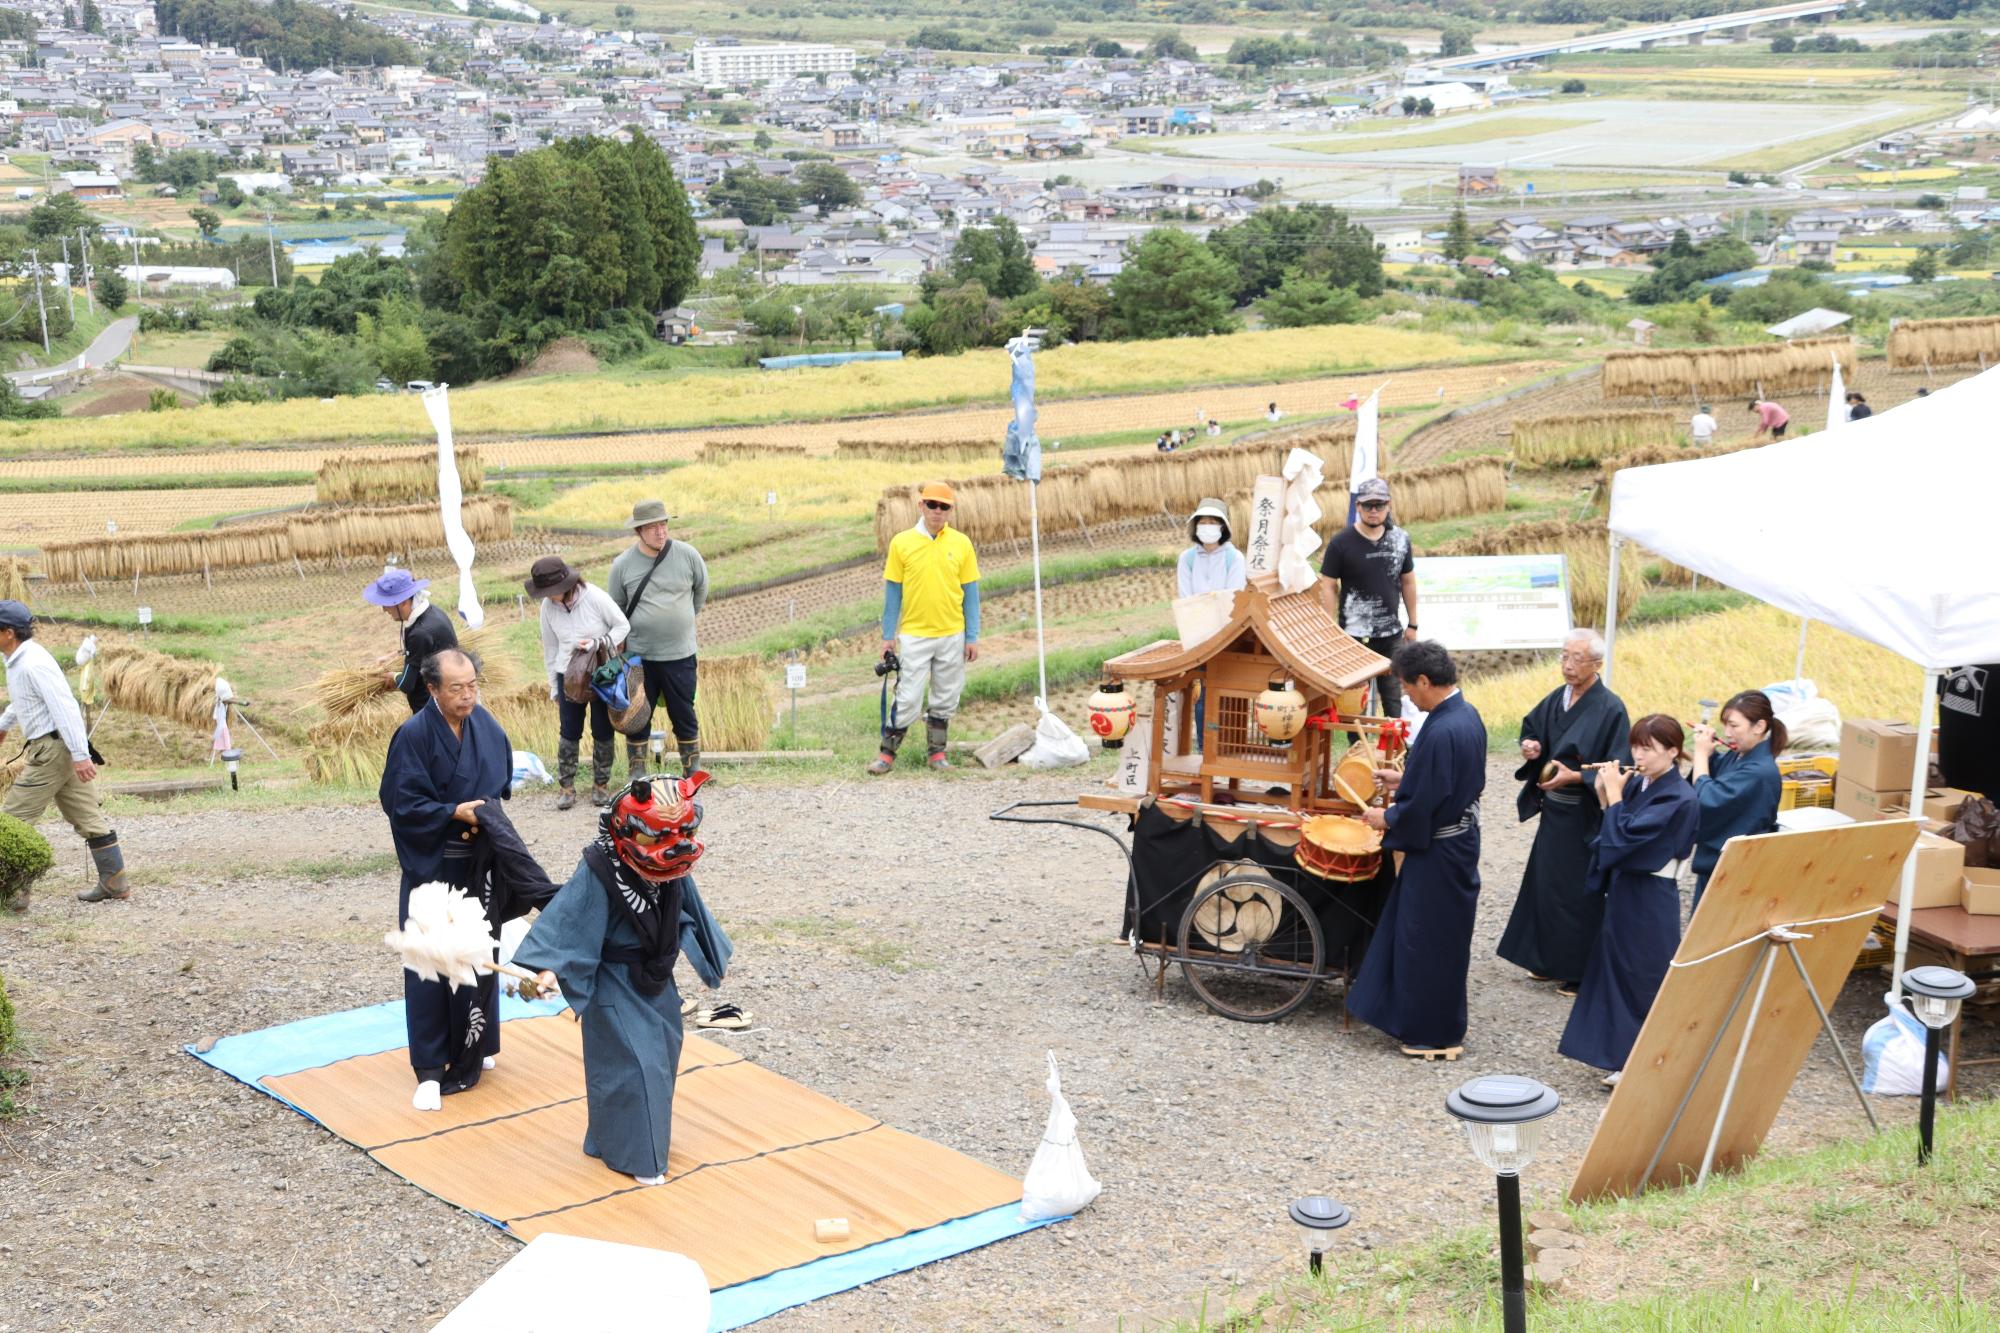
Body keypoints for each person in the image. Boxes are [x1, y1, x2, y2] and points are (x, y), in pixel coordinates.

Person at [517, 771, 733, 1186]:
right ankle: (644, 1161)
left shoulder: (673, 863)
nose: (672, 845)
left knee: (656, 1063)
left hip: (656, 979)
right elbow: (570, 920)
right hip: (614, 982)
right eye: (656, 838)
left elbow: (688, 911)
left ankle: (608, 1139)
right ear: (627, 832)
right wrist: (548, 969)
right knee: (638, 1066)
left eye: (682, 832)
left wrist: (701, 948)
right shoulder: (601, 867)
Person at [380, 647, 522, 1111]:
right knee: (431, 958)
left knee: (479, 951)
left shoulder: (487, 726)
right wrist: (450, 812)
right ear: (434, 690)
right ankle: (428, 1065)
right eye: (456, 689)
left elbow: (500, 782)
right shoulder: (414, 735)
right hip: (434, 863)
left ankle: (477, 1045)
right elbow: (402, 804)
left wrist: (482, 815)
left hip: (478, 861)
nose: (467, 696)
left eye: (472, 686)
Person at [1348, 642, 1487, 1059]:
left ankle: (1433, 1034)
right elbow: (1439, 783)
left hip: (1441, 851)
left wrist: (1387, 818)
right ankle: (1432, 1024)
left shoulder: (1444, 728)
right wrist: (1400, 782)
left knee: (1427, 939)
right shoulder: (1465, 716)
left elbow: (1426, 801)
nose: (1407, 695)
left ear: (1426, 681)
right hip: (1456, 840)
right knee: (1437, 936)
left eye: (1409, 688)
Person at [1558, 714, 1699, 1086]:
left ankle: (1651, 1060)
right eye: (1636, 745)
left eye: (1648, 748)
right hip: (1626, 889)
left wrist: (1616, 796)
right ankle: (1621, 1057)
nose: (1638, 754)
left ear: (1672, 751)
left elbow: (1626, 840)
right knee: (1615, 970)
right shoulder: (1644, 785)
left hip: (1651, 895)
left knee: (1644, 976)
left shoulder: (1678, 796)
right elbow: (1617, 833)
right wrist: (1608, 799)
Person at [1497, 630, 1631, 994]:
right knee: (1545, 885)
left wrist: (1578, 776)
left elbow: (1619, 765)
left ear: (1597, 665)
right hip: (1554, 812)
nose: (1568, 666)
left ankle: (1578, 971)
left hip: (1583, 813)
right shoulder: (1560, 697)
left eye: (1577, 659)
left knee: (1577, 892)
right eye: (1564, 657)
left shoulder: (1610, 707)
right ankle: (1546, 960)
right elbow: (1534, 728)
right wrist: (1531, 747)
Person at [0, 600, 128, 907]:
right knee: (87, 816)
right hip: (56, 747)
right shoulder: (19, 660)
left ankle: (14, 894)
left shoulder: (33, 663)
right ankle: (114, 882)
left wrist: (80, 754)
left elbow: (65, 707)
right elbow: (24, 701)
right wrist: (3, 725)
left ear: (7, 633)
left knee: (13, 820)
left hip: (53, 750)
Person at [870, 482, 981, 773]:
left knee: (945, 697)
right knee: (907, 697)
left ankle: (937, 755)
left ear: (950, 510)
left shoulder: (962, 544)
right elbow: (893, 593)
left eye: (944, 506)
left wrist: (972, 637)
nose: (937, 510)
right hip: (914, 635)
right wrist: (887, 637)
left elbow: (971, 593)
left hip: (951, 634)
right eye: (932, 504)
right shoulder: (901, 543)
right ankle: (886, 755)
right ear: (921, 506)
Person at [608, 500, 709, 780]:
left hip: (680, 653)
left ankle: (692, 769)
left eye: (663, 524)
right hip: (640, 656)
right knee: (638, 715)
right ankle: (637, 770)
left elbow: (700, 592)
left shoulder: (688, 556)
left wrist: (682, 619)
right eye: (652, 527)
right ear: (639, 530)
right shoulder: (623, 565)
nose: (660, 531)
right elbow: (615, 608)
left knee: (683, 713)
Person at [529, 555, 631, 811]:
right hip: (568, 675)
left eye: (551, 591)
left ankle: (601, 785)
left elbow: (623, 626)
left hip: (600, 673)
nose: (549, 596)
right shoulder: (547, 608)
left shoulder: (594, 597)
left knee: (602, 729)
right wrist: (554, 685)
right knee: (569, 731)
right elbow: (550, 649)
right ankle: (566, 787)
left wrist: (599, 642)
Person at [1317, 476, 1417, 720]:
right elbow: (1328, 585)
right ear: (1358, 506)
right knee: (1353, 699)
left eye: (1379, 505)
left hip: (1391, 635)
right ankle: (1356, 749)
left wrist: (1413, 623)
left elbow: (1408, 580)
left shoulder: (1400, 539)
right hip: (1353, 636)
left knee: (1393, 698)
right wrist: (1330, 628)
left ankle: (1397, 751)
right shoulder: (1341, 543)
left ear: (1389, 505)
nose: (1374, 510)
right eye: (1368, 505)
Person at [1688, 689, 1785, 907]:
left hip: (1736, 871)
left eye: (1734, 726)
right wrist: (1711, 757)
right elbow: (1717, 780)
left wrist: (1701, 755)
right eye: (1725, 725)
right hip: (1717, 865)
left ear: (1759, 727)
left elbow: (1708, 798)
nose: (1728, 733)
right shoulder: (1740, 755)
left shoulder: (1760, 772)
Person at [363, 568, 458, 715]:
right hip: (448, 701)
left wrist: (392, 676)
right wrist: (394, 655)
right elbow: (424, 651)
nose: (384, 609)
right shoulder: (433, 613)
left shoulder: (420, 633)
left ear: (403, 602)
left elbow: (407, 683)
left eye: (387, 603)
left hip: (435, 711)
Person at [1176, 498, 1247, 599]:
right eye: (1202, 523)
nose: (1207, 526)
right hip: (1195, 613)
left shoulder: (1234, 558)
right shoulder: (1187, 558)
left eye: (1212, 523)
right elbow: (1185, 596)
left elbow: (1234, 596)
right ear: (1196, 526)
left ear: (1222, 527)